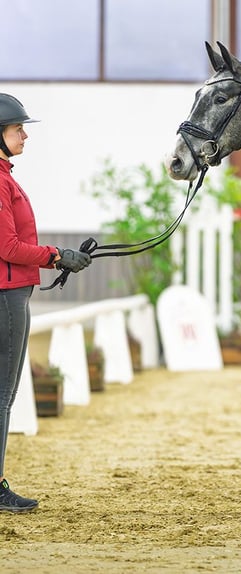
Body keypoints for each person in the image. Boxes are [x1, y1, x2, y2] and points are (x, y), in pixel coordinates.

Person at [0, 93, 91, 513]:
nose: (24, 135)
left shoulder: (6, 175)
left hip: (13, 291)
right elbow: (8, 245)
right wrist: (55, 255)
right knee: (3, 393)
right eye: (18, 129)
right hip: (6, 295)